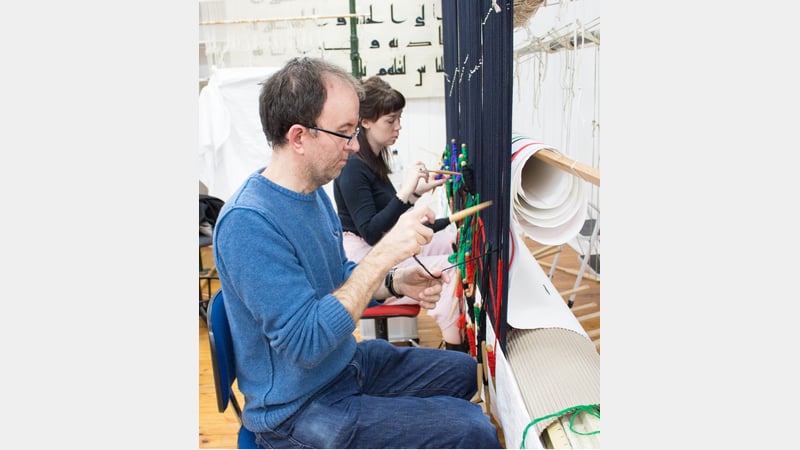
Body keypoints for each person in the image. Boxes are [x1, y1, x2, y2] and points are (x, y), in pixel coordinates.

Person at [212, 57, 502, 449]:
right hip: (296, 411)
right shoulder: (248, 224)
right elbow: (307, 342)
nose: (353, 145)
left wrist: (395, 281)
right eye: (344, 132)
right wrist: (384, 255)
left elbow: (340, 276)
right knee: (473, 430)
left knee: (465, 372)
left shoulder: (312, 193)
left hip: (342, 365)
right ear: (299, 137)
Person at [333, 76, 467, 351]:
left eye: (399, 119)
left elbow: (386, 217)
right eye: (390, 120)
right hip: (364, 258)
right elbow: (372, 231)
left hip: (378, 246)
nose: (398, 127)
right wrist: (406, 191)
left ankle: (459, 339)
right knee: (451, 268)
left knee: (452, 242)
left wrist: (416, 194)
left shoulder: (373, 160)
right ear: (365, 122)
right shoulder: (354, 167)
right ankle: (458, 350)